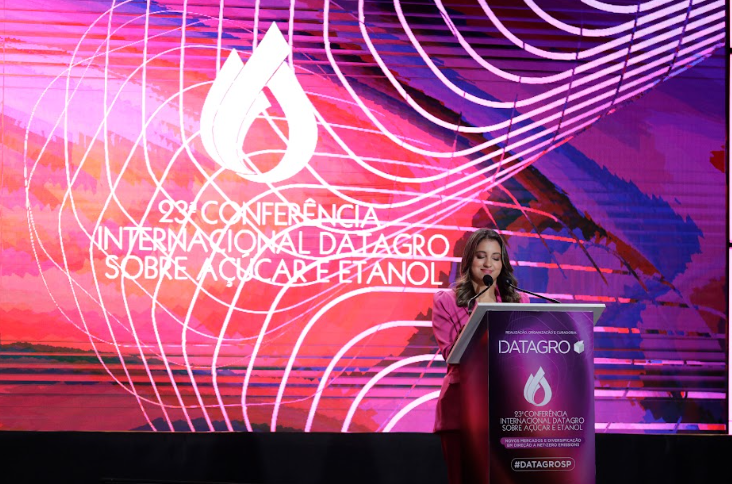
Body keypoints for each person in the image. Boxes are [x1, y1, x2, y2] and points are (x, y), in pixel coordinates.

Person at [431, 228, 529, 484]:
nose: (488, 264)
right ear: (469, 260)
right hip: (461, 407)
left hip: (506, 408)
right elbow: (451, 354)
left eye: (496, 258)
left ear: (503, 263)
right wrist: (478, 319)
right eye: (481, 256)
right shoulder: (447, 300)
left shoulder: (518, 301)